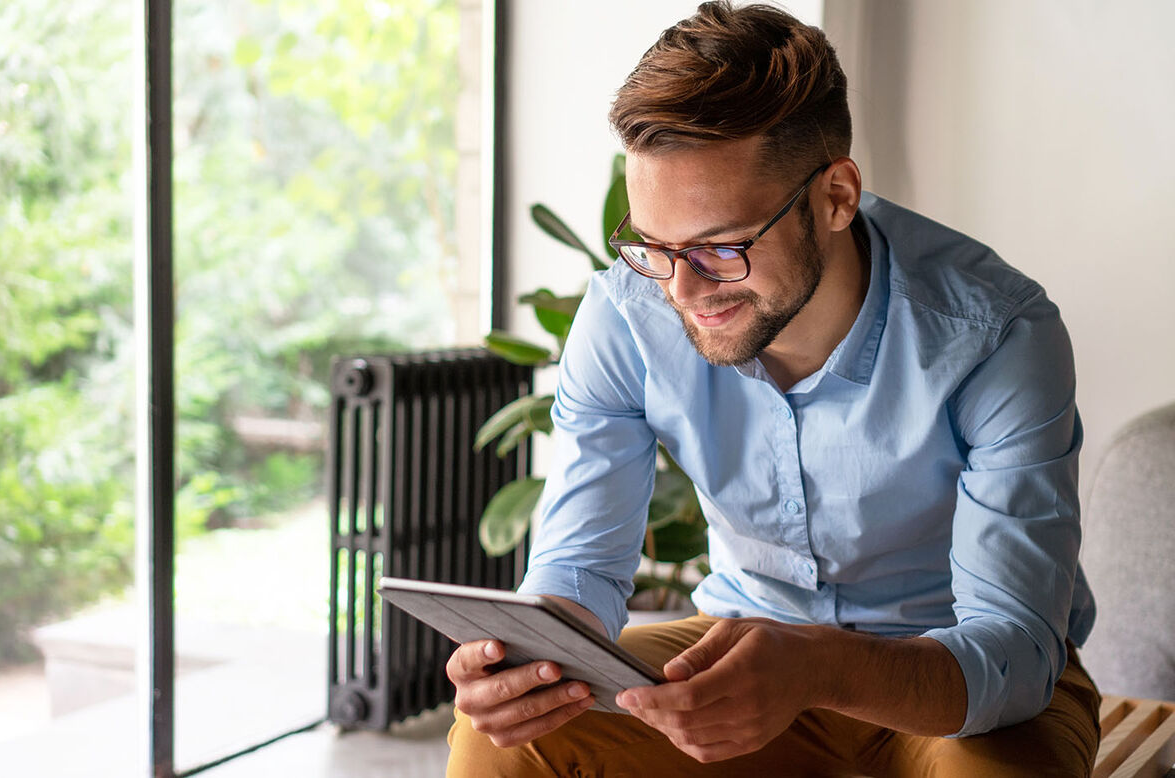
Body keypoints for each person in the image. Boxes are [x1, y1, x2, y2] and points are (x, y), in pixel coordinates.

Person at [446, 2, 1100, 775]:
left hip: (952, 678)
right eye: (654, 245)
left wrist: (818, 666)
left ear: (835, 197)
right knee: (501, 744)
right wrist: (528, 661)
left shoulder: (995, 334)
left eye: (722, 247)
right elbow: (579, 569)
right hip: (737, 648)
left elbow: (1013, 652)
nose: (683, 290)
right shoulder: (627, 313)